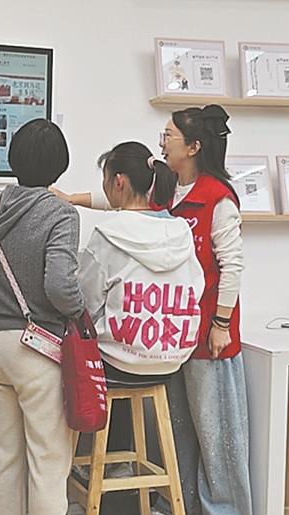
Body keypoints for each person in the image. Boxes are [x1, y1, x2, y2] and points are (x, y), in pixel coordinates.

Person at [53, 105, 252, 515]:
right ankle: (185, 507)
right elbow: (124, 201)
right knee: (180, 428)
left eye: (168, 136)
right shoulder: (169, 192)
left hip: (208, 331)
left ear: (193, 147)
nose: (162, 143)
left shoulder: (216, 198)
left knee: (217, 432)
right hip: (171, 333)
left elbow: (233, 265)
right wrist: (73, 199)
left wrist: (220, 323)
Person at [0, 119, 86, 515]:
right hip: (37, 350)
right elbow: (59, 285)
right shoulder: (61, 214)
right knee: (47, 464)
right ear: (60, 165)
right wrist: (79, 311)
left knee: (0, 459)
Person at [76, 139, 204, 469]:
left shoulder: (107, 234)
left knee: (76, 354)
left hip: (118, 363)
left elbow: (85, 302)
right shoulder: (180, 231)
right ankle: (118, 467)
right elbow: (198, 288)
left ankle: (88, 470)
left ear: (118, 182)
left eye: (105, 180)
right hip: (171, 361)